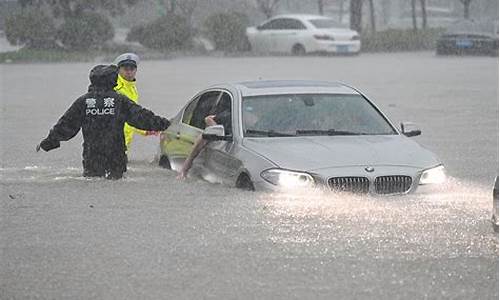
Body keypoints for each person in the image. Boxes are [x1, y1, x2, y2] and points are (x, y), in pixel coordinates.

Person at [36, 65, 171, 179]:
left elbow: (66, 125)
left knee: (93, 181)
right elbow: (142, 118)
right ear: (113, 80)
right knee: (115, 184)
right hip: (116, 155)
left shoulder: (83, 102)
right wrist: (166, 124)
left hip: (92, 155)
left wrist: (49, 141)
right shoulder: (119, 101)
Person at [177, 94, 232, 180]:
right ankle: (183, 170)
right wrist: (216, 128)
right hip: (200, 138)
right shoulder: (227, 115)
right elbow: (208, 119)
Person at [113, 53, 156, 153]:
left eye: (132, 69)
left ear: (136, 70)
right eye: (125, 69)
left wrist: (145, 130)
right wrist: (145, 128)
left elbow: (133, 115)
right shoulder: (116, 88)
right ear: (118, 70)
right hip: (114, 140)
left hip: (123, 143)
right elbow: (127, 117)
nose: (129, 72)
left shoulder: (132, 87)